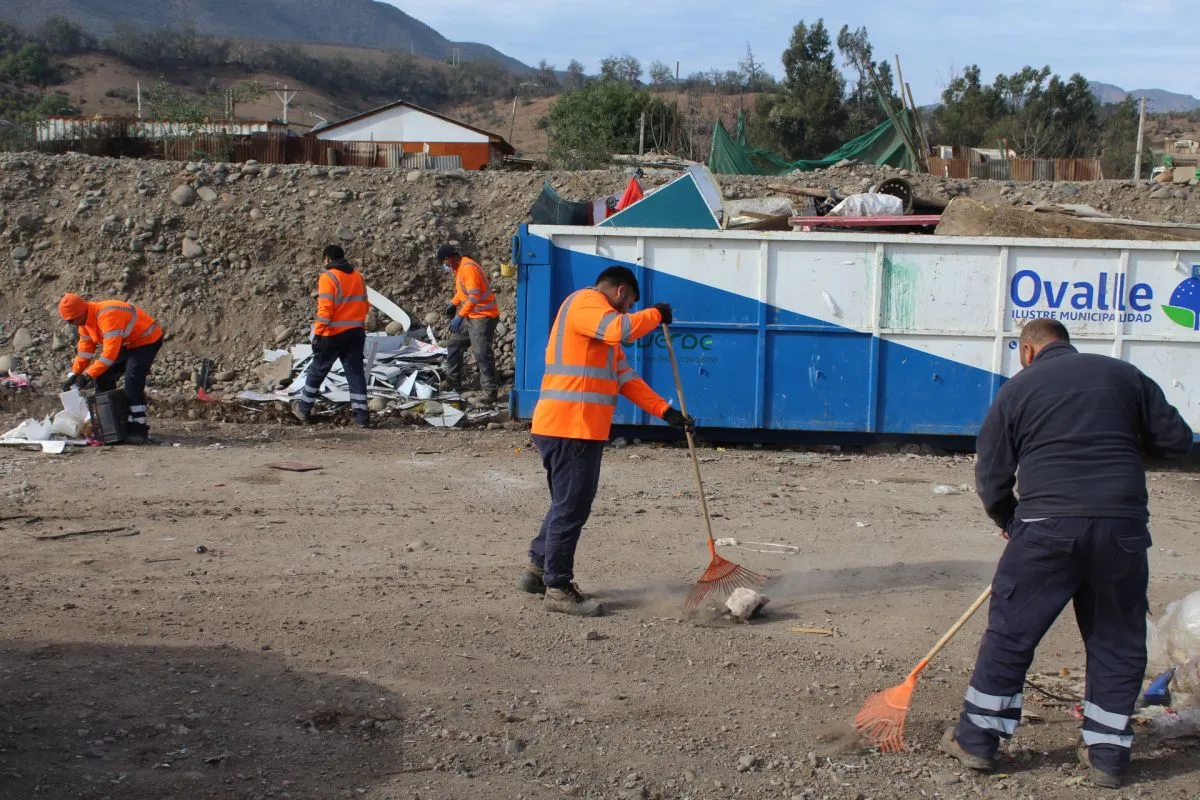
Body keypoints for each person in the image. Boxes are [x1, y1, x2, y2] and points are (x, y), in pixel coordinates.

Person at [941, 318, 1193, 789]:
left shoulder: (1017, 390)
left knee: (1012, 634)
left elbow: (992, 476)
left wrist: (1011, 523)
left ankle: (977, 742)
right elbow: (1176, 443)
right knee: (1117, 641)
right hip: (1121, 530)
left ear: (1029, 351)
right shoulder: (1126, 376)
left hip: (1044, 529)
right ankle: (1108, 758)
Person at [518, 266, 695, 617]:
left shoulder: (596, 328)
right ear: (619, 292)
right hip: (571, 427)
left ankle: (539, 570)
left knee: (565, 504)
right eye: (629, 303)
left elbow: (624, 378)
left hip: (573, 426)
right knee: (572, 508)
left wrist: (666, 411)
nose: (628, 310)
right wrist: (656, 313)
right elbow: (622, 329)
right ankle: (558, 588)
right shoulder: (587, 305)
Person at [58, 293, 164, 445]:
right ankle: (105, 425)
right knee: (104, 376)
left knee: (132, 380)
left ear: (80, 313)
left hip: (146, 341)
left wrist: (88, 375)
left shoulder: (107, 315)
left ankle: (139, 430)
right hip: (128, 343)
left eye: (71, 320)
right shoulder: (84, 323)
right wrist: (75, 373)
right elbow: (85, 350)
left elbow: (109, 355)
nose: (71, 324)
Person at [291, 245, 370, 427]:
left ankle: (303, 409)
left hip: (333, 334)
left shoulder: (328, 277)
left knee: (318, 371)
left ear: (327, 258)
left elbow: (325, 309)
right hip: (356, 333)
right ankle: (362, 418)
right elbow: (365, 306)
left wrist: (318, 334)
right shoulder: (358, 277)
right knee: (356, 373)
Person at [437, 243, 500, 403]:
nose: (445, 266)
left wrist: (460, 315)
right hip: (471, 315)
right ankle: (453, 381)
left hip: (483, 316)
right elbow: (462, 292)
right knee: (454, 344)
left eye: (444, 262)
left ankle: (490, 391)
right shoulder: (459, 269)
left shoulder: (468, 268)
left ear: (449, 258)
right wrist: (453, 302)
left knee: (481, 353)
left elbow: (474, 296)